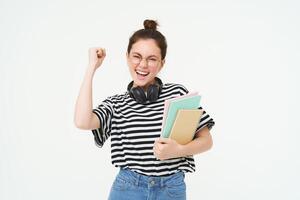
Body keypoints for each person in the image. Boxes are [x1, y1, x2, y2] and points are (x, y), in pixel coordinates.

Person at [74, 19, 215, 200]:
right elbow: (82, 121)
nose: (142, 65)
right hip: (128, 188)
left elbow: (206, 141)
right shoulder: (116, 103)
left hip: (171, 188)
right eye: (137, 56)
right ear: (127, 57)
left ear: (162, 63)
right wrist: (91, 67)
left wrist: (178, 150)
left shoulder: (178, 94)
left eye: (152, 59)